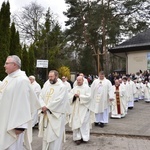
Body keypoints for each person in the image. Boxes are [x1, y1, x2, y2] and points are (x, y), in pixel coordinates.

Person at [0, 55, 40, 150]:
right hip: (5, 120)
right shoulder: (9, 78)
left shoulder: (21, 80)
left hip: (14, 125)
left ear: (14, 65)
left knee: (13, 146)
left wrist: (20, 126)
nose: (4, 66)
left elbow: (22, 103)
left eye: (6, 63)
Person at [38, 70, 68, 150]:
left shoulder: (62, 87)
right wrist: (43, 105)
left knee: (54, 136)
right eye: (49, 76)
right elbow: (40, 95)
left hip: (55, 116)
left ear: (56, 76)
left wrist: (47, 107)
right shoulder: (47, 84)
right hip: (46, 114)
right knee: (46, 135)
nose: (50, 78)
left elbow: (59, 100)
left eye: (51, 77)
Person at [69, 76, 95, 145]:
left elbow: (89, 97)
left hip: (84, 108)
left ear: (83, 80)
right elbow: (69, 96)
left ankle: (84, 137)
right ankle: (77, 138)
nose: (78, 81)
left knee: (83, 123)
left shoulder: (87, 88)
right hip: (76, 109)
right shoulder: (75, 88)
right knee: (76, 122)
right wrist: (74, 96)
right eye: (77, 80)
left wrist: (80, 96)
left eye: (80, 80)